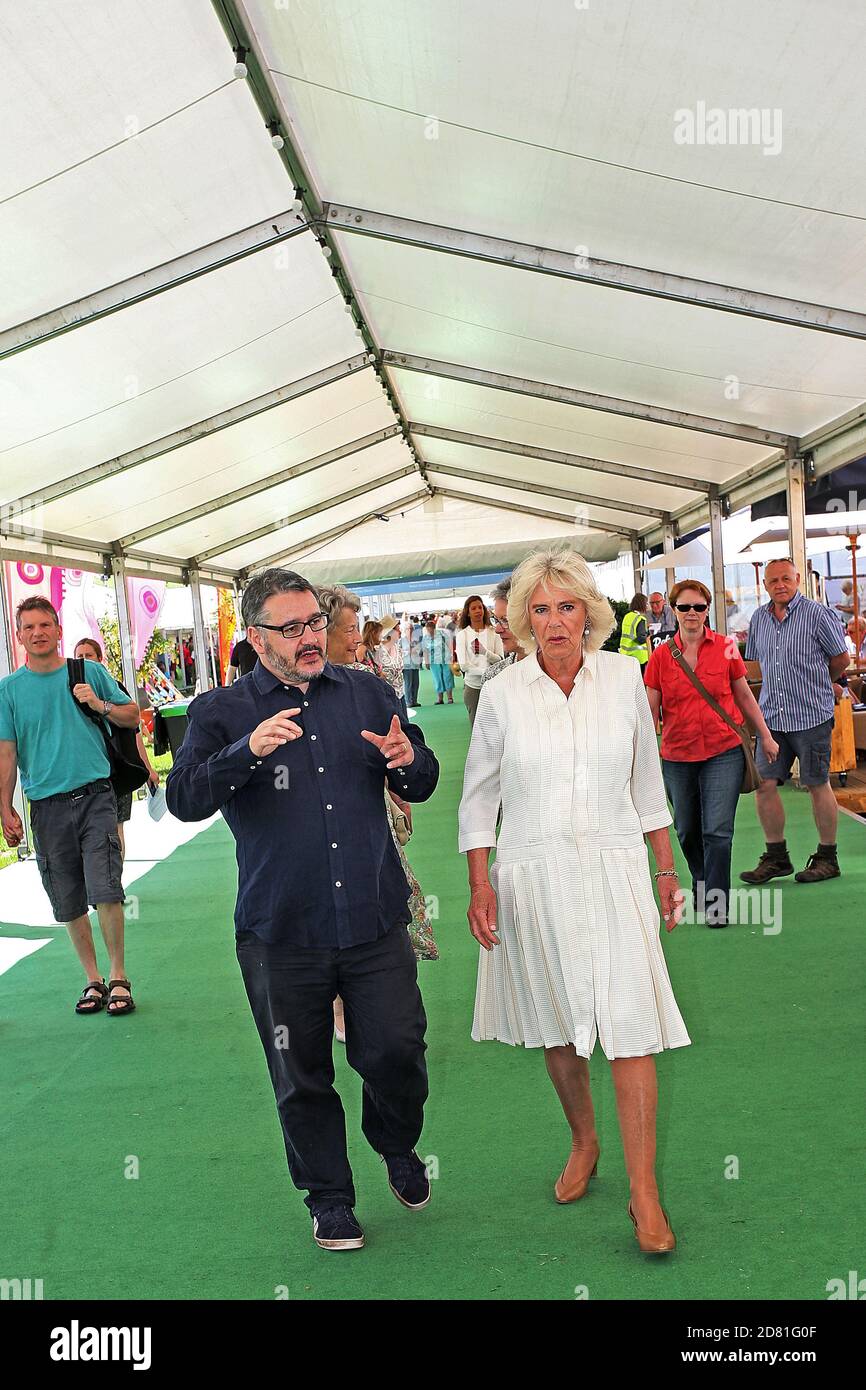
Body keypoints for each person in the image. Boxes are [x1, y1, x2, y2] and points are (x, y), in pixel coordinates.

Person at [166, 568, 439, 1252]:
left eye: (314, 622)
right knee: (301, 1072)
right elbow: (184, 799)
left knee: (397, 1050)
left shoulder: (368, 692)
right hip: (280, 930)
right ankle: (330, 1198)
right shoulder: (221, 712)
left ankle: (395, 1140)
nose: (310, 638)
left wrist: (409, 757)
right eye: (291, 629)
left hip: (374, 918)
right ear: (257, 639)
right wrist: (244, 752)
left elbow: (421, 777)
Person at [458, 548, 688, 1254]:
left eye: (567, 606)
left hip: (617, 870)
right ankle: (585, 1140)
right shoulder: (501, 694)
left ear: (589, 613)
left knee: (631, 1025)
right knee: (558, 1028)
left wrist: (666, 869)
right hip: (535, 872)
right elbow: (480, 796)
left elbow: (647, 783)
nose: (556, 621)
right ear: (524, 619)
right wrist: (478, 882)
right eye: (540, 607)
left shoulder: (624, 679)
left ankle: (644, 1192)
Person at [0, 597, 141, 1016]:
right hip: (44, 806)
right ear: (19, 635)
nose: (38, 632)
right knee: (67, 898)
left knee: (106, 888)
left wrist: (99, 704)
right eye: (29, 627)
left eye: (46, 625)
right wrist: (5, 808)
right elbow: (7, 754)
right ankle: (92, 979)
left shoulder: (89, 671)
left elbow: (133, 716)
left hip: (96, 796)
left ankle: (118, 976)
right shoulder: (9, 691)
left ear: (58, 631)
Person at [644, 581, 779, 927]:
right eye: (685, 607)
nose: (692, 614)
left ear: (707, 610)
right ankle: (703, 884)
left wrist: (764, 736)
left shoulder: (727, 648)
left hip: (723, 750)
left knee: (718, 831)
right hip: (677, 754)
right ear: (674, 610)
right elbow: (649, 709)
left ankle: (716, 904)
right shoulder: (660, 656)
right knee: (687, 829)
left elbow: (744, 695)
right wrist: (638, 751)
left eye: (699, 608)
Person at [741, 558, 850, 885]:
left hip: (811, 715)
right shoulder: (759, 618)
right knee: (765, 785)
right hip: (772, 717)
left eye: (786, 578)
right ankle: (776, 858)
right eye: (773, 580)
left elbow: (841, 658)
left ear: (797, 579)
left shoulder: (818, 615)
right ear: (765, 585)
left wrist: (819, 682)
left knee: (817, 783)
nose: (780, 585)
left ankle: (828, 857)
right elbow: (755, 664)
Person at [73, 637, 160, 862]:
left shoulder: (115, 689)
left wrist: (147, 768)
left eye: (88, 656)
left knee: (115, 829)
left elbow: (135, 730)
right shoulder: (70, 691)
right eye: (79, 657)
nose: (83, 661)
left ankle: (116, 883)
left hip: (117, 769)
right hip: (86, 775)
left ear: (100, 659)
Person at [454, 596, 504, 725]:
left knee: (498, 725)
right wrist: (487, 672)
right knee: (477, 727)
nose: (478, 611)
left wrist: (485, 652)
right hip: (473, 688)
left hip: (494, 687)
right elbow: (464, 666)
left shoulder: (494, 632)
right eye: (473, 608)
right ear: (468, 613)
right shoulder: (462, 635)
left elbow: (500, 660)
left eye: (480, 607)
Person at [482, 578, 526, 685]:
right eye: (496, 620)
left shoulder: (563, 671)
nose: (497, 630)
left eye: (505, 620)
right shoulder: (493, 677)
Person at [423, 616, 455, 704]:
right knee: (437, 679)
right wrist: (427, 661)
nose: (429, 631)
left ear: (434, 628)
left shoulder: (442, 634)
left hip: (445, 659)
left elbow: (449, 645)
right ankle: (440, 699)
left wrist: (452, 656)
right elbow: (425, 650)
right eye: (428, 629)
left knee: (447, 677)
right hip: (433, 661)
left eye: (430, 629)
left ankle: (450, 698)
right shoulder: (425, 637)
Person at [618, 593, 650, 672]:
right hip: (639, 657)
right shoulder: (640, 619)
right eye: (646, 603)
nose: (647, 605)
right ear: (642, 604)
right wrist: (648, 633)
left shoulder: (627, 616)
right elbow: (641, 639)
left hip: (626, 654)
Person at [400, 615, 423, 707]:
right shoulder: (401, 640)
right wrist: (408, 651)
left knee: (416, 683)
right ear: (404, 630)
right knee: (408, 684)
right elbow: (399, 652)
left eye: (411, 629)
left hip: (415, 663)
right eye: (408, 629)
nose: (410, 630)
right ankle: (408, 701)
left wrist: (414, 650)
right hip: (406, 664)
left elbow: (419, 650)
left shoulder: (416, 640)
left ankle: (414, 700)